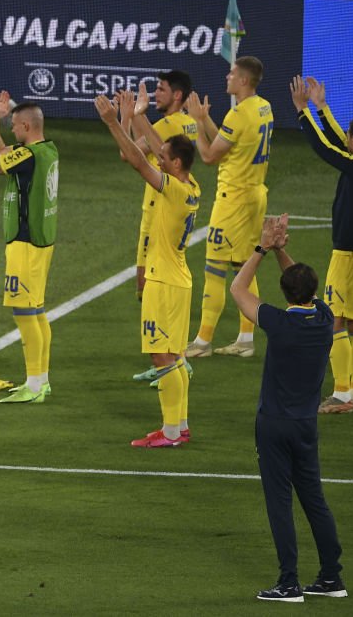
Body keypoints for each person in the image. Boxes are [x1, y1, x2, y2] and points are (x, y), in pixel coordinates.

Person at [230, 215, 346, 603]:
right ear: (312, 292)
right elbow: (300, 287)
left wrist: (263, 248)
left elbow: (238, 288)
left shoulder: (278, 323)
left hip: (274, 424)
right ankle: (331, 577)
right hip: (305, 425)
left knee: (279, 502)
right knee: (314, 499)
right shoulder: (325, 319)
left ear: (285, 293)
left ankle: (289, 583)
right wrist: (283, 252)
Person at [96, 94, 200, 448]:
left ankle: (169, 433)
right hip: (180, 280)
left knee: (162, 357)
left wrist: (113, 121)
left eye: (164, 156)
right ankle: (180, 426)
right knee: (175, 356)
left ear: (175, 163)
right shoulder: (192, 186)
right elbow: (153, 151)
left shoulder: (171, 190)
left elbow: (138, 162)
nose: (159, 156)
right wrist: (137, 117)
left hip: (164, 282)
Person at [290, 75, 353, 414]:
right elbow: (337, 142)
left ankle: (342, 394)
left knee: (334, 321)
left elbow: (325, 148)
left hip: (347, 257)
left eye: (349, 136)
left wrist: (303, 113)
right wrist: (321, 107)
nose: (346, 139)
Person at [184, 56, 274, 359]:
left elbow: (210, 156)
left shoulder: (239, 115)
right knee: (244, 267)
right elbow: (228, 142)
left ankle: (202, 341)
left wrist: (197, 122)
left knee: (214, 268)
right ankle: (246, 339)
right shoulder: (264, 107)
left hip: (233, 199)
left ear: (244, 81)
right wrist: (207, 120)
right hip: (255, 195)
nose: (228, 77)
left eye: (232, 74)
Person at [0, 92, 59, 404]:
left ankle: (34, 385)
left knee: (24, 312)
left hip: (25, 243)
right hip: (41, 241)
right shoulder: (47, 150)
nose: (11, 130)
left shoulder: (29, 157)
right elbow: (2, 154)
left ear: (25, 126)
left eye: (13, 125)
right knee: (36, 311)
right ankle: (42, 381)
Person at [117, 74, 199, 385]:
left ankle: (168, 359)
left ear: (177, 94)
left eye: (162, 89)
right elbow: (152, 146)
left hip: (159, 213)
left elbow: (132, 155)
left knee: (144, 282)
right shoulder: (187, 124)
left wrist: (123, 119)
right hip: (170, 221)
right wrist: (137, 115)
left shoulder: (166, 129)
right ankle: (170, 356)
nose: (156, 93)